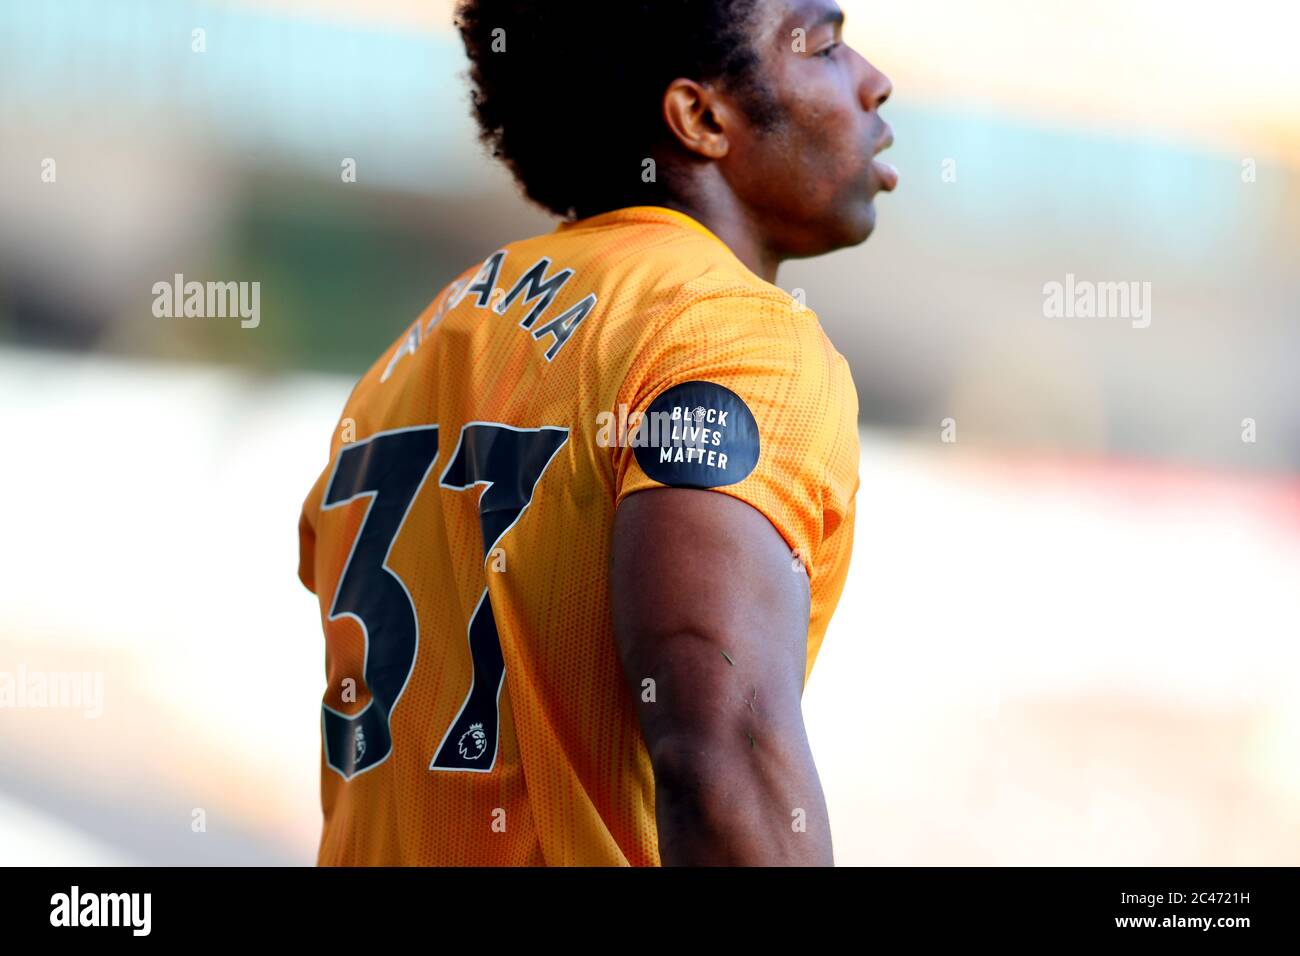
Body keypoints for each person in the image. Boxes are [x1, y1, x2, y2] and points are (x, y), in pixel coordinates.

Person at [297, 0, 895, 866]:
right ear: (700, 118)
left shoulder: (417, 350)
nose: (874, 81)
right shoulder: (725, 332)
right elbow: (720, 754)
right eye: (826, 47)